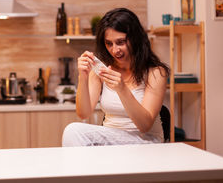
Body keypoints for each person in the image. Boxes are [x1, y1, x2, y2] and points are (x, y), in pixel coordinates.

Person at [62, 8, 169, 146]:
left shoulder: (155, 73)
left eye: (120, 42)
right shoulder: (102, 70)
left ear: (135, 38)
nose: (114, 50)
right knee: (73, 131)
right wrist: (82, 77)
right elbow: (83, 113)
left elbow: (145, 125)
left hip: (145, 141)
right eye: (109, 43)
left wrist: (122, 89)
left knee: (74, 131)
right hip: (111, 142)